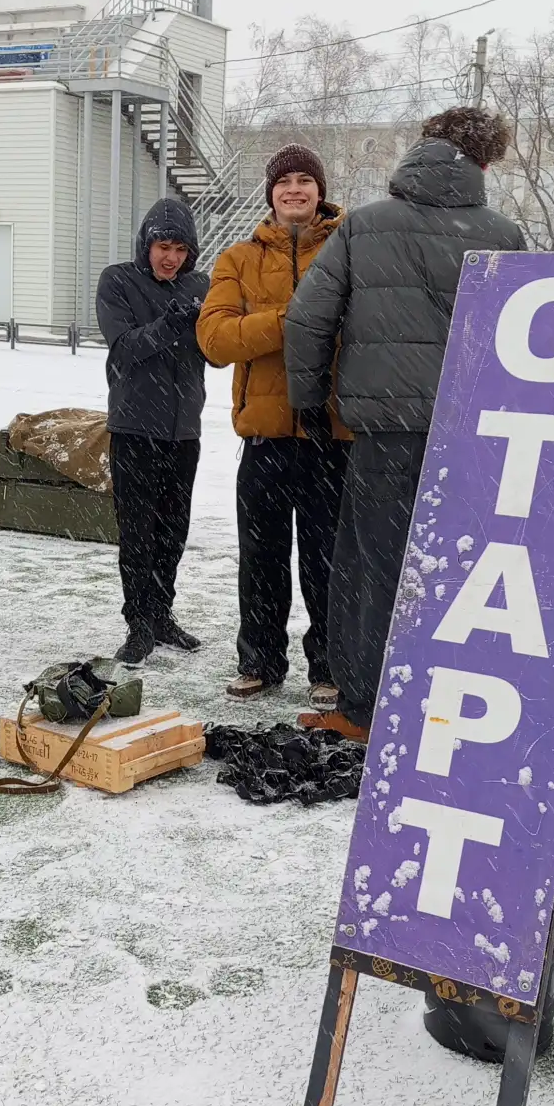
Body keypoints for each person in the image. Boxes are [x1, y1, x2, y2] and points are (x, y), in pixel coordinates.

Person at [283, 106, 526, 740]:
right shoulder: (505, 235)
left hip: (385, 431)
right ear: (483, 162)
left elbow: (309, 319)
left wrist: (309, 399)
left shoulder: (366, 226)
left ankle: (363, 709)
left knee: (371, 568)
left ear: (423, 148)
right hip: (473, 436)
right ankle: (443, 707)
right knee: (460, 570)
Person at [197, 145, 350, 708]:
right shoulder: (237, 259)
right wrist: (296, 320)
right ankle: (259, 659)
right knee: (260, 557)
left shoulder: (349, 249)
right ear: (270, 193)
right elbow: (215, 340)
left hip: (329, 435)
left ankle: (329, 667)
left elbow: (357, 331)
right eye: (284, 181)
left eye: (305, 180)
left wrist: (262, 328)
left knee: (327, 560)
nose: (294, 190)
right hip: (264, 437)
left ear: (320, 191)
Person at [96, 197, 210, 666]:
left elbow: (214, 350)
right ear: (147, 245)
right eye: (164, 247)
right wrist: (170, 324)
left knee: (172, 531)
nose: (171, 258)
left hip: (183, 432)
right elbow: (124, 349)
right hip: (135, 428)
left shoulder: (202, 286)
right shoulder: (118, 281)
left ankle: (161, 614)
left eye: (181, 250)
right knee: (138, 533)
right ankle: (138, 623)